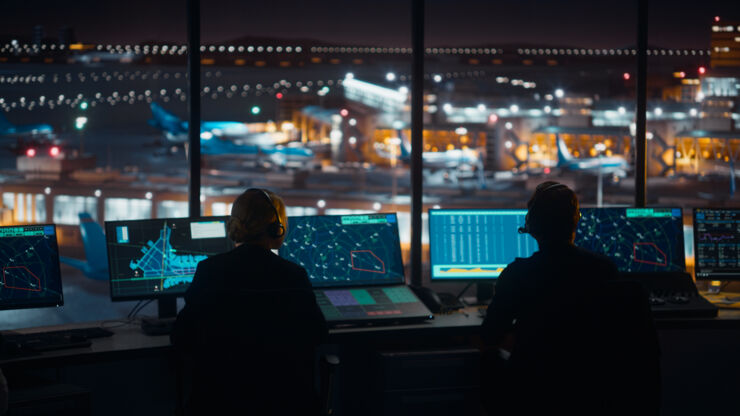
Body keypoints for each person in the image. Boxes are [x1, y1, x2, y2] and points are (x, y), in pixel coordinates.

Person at [480, 181, 659, 415]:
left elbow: (490, 335)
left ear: (532, 225)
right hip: (594, 394)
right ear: (575, 221)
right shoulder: (604, 269)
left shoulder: (518, 274)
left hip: (536, 393)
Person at [172, 188, 327, 416]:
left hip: (220, 403)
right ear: (277, 228)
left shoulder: (209, 271)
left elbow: (181, 337)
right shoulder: (293, 275)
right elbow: (319, 333)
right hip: (285, 404)